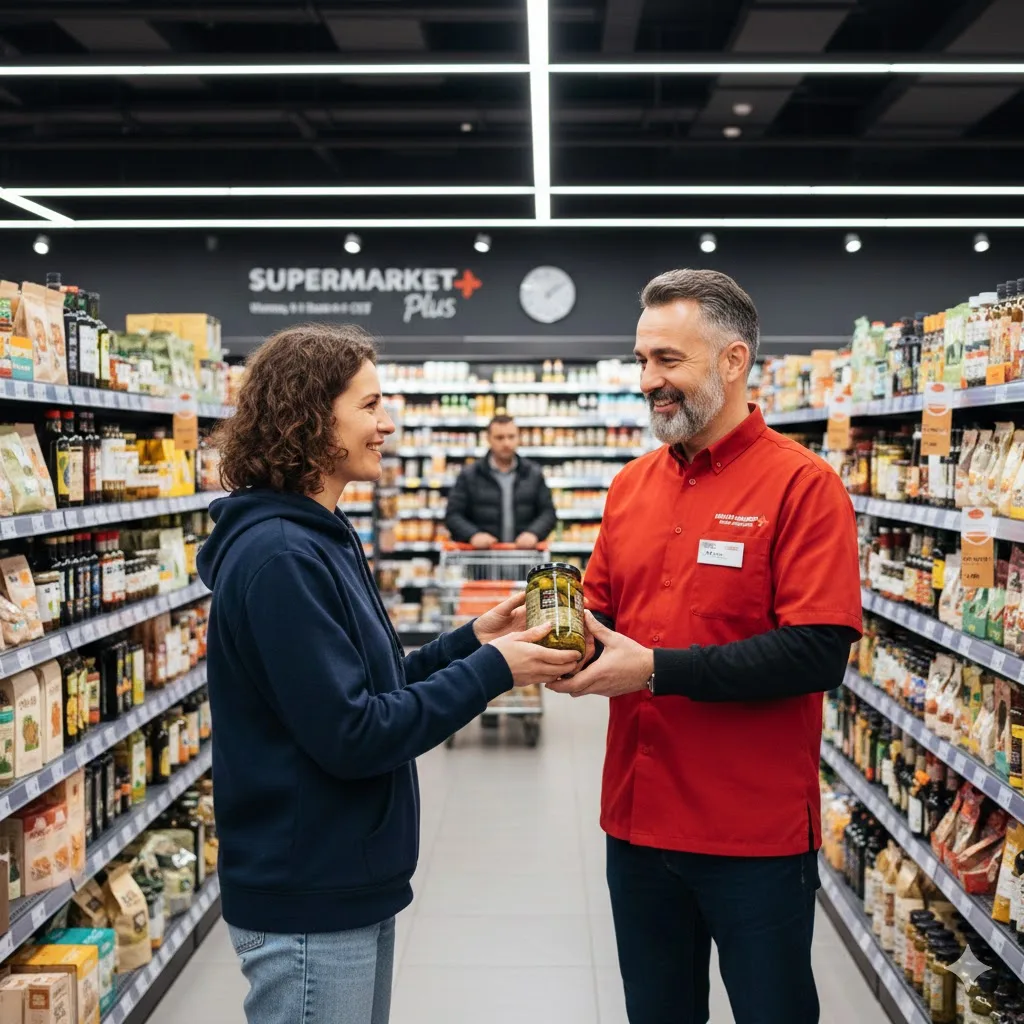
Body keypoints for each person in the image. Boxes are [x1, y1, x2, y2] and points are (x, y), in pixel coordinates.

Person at [197, 323, 581, 1024]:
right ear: (310, 418)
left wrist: (472, 640)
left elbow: (374, 684)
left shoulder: (322, 535)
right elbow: (354, 733)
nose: (388, 425)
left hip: (346, 874)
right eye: (371, 405)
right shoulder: (281, 558)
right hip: (308, 892)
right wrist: (495, 670)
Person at [549, 270, 862, 1024]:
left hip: (752, 832)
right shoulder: (631, 486)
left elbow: (817, 652)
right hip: (637, 821)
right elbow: (600, 611)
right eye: (641, 361)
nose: (648, 382)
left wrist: (656, 671)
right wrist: (548, 636)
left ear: (733, 360)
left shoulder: (804, 486)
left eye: (668, 360)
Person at [445, 414, 556, 550]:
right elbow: (453, 515)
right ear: (488, 439)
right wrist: (473, 535)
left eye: (511, 437)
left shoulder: (533, 473)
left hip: (524, 556)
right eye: (499, 437)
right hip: (482, 557)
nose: (506, 443)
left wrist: (533, 533)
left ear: (518, 437)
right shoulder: (470, 474)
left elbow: (548, 513)